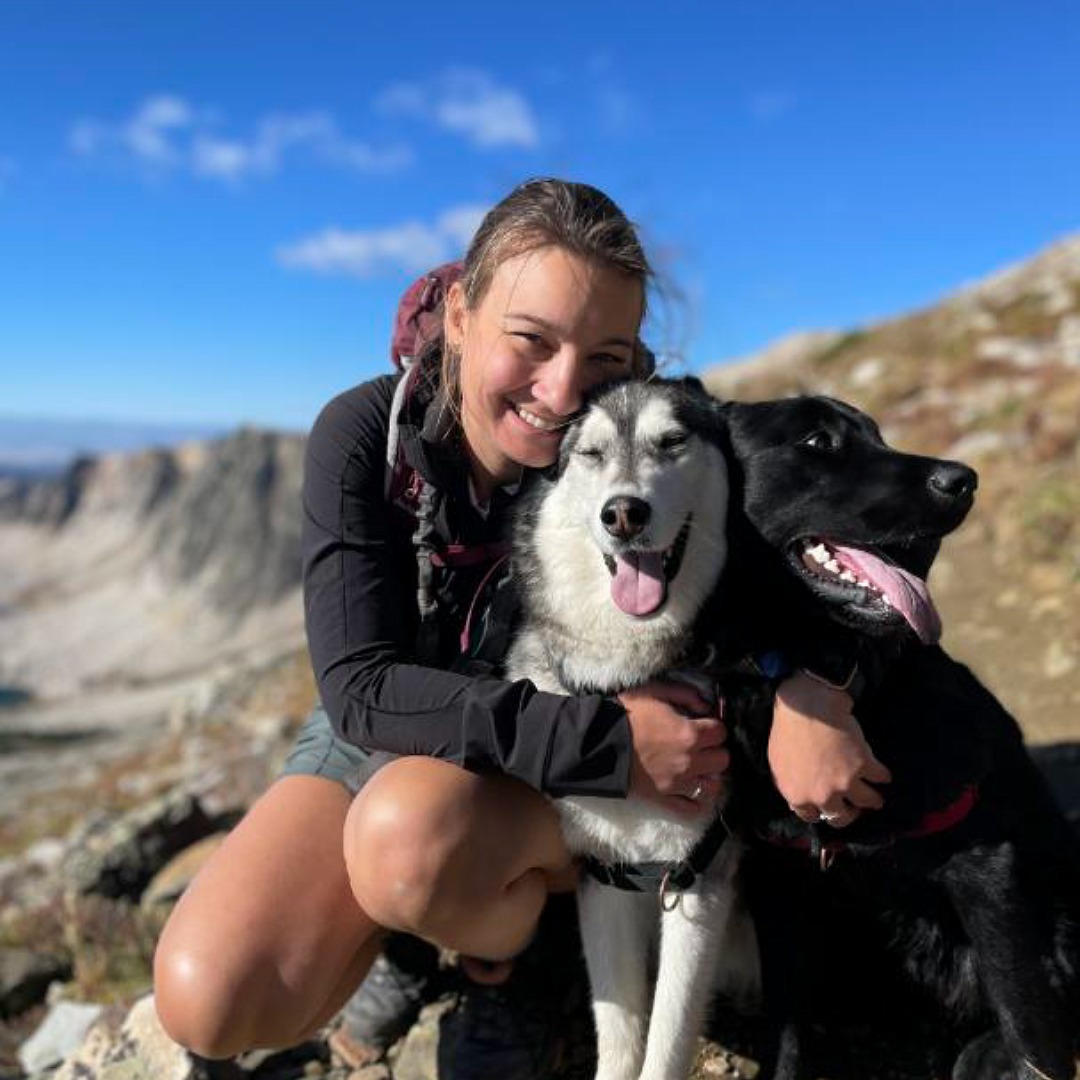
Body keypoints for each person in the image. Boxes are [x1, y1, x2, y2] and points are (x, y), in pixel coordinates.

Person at [153, 178, 890, 1076]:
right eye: (530, 340)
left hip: (525, 767)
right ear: (461, 313)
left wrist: (816, 684)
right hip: (407, 723)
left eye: (606, 358)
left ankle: (518, 969)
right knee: (211, 999)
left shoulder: (646, 446)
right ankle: (428, 939)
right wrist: (608, 743)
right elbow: (361, 689)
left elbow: (796, 552)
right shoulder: (365, 435)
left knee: (408, 842)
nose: (562, 388)